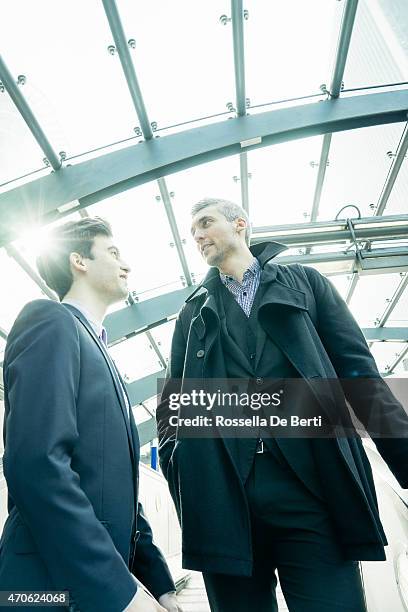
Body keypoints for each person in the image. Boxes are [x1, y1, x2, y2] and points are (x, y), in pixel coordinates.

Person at [157, 198, 408, 612]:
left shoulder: (306, 284)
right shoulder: (192, 314)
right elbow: (174, 410)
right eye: (192, 232)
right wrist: (180, 467)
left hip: (311, 493)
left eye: (206, 223)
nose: (198, 236)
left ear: (240, 224)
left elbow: (360, 377)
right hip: (226, 501)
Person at [0, 217, 182, 612]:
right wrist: (118, 592)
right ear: (78, 261)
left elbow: (118, 492)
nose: (126, 264)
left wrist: (159, 586)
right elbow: (37, 463)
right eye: (113, 252)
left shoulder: (100, 352)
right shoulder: (50, 322)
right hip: (46, 589)